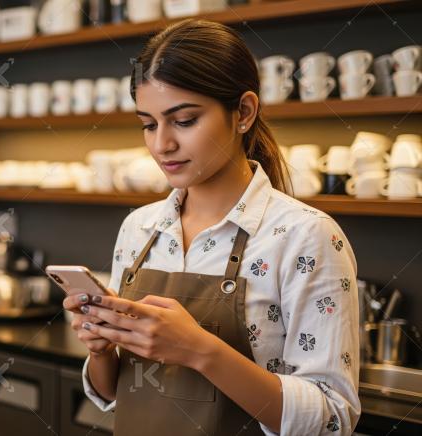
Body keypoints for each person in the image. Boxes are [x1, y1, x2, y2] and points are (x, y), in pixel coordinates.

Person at [63, 19, 360, 436]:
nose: (161, 144)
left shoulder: (306, 237)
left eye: (183, 120)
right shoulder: (140, 228)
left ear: (243, 112)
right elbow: (114, 395)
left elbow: (332, 418)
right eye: (149, 124)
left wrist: (200, 350)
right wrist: (102, 350)